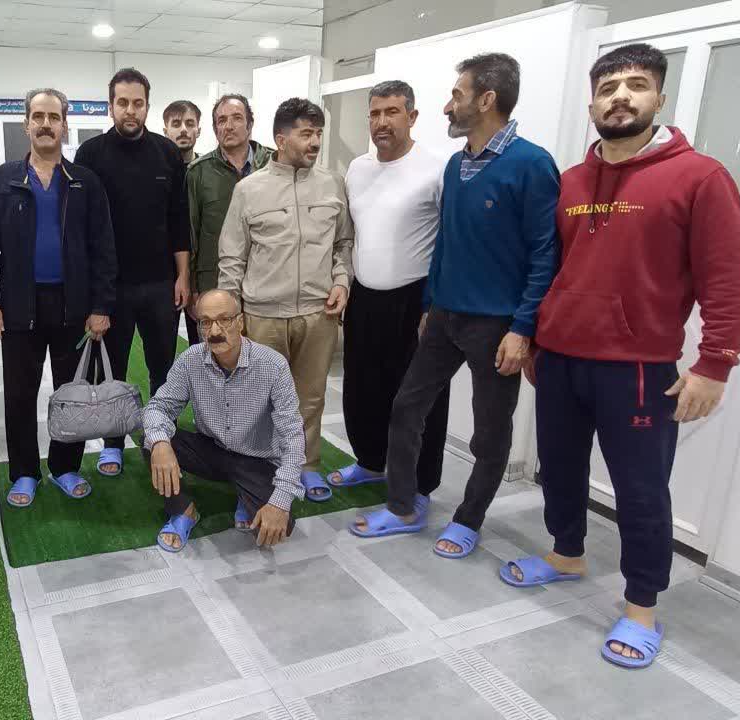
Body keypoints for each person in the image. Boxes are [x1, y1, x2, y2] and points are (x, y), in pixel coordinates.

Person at [504, 44, 740, 668]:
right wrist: (537, 336)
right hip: (560, 359)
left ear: (659, 98)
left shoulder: (699, 177)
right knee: (560, 469)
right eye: (608, 87)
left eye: (636, 85)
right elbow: (552, 267)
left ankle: (641, 604)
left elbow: (729, 276)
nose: (620, 96)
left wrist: (715, 363)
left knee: (640, 490)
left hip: (638, 368)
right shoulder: (571, 181)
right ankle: (566, 553)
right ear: (592, 104)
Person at [351, 53, 559, 559]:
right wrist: (429, 303)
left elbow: (545, 253)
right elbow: (444, 240)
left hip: (497, 324)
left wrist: (523, 328)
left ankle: (468, 519)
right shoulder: (457, 163)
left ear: (486, 100)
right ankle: (403, 506)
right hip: (444, 314)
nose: (448, 106)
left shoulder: (531, 164)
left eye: (456, 95)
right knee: (406, 407)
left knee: (489, 432)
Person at [0, 88, 117, 509]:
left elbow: (103, 248)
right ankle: (23, 471)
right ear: (26, 124)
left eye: (54, 117)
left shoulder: (85, 182)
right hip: (20, 306)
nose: (46, 124)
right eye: (38, 116)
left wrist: (101, 306)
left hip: (74, 306)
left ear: (65, 125)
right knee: (19, 394)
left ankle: (65, 466)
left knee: (71, 392)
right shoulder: (3, 180)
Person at [218, 97, 353, 504]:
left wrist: (342, 280)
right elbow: (232, 257)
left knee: (310, 396)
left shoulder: (332, 184)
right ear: (280, 139)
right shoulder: (248, 190)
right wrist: (232, 315)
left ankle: (306, 465)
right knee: (258, 399)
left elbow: (343, 243)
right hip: (263, 315)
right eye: (306, 134)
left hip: (318, 313)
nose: (315, 142)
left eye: (318, 134)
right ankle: (261, 470)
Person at [327, 81, 451, 503]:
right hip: (365, 297)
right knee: (363, 388)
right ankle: (369, 461)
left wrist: (433, 303)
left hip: (415, 301)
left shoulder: (436, 168)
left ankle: (419, 485)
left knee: (418, 399)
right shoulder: (358, 168)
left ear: (412, 117)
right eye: (375, 113)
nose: (382, 122)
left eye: (392, 112)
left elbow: (450, 240)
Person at [74, 68, 189, 478]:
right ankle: (112, 444)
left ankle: (159, 437)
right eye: (122, 102)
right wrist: (93, 295)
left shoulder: (167, 153)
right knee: (113, 372)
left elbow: (179, 221)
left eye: (137, 103)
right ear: (110, 106)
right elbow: (83, 228)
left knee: (163, 368)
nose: (130, 110)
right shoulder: (90, 155)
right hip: (113, 288)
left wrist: (183, 276)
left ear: (147, 106)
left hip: (160, 284)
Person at [142, 290, 304, 552]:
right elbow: (158, 407)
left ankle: (245, 493)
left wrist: (280, 502)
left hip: (256, 459)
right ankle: (183, 511)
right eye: (205, 322)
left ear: (240, 322)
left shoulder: (273, 365)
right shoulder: (191, 360)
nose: (215, 330)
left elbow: (293, 435)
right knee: (152, 441)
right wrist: (161, 444)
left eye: (224, 319)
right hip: (213, 450)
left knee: (280, 526)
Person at [184, 94, 272, 345]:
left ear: (250, 124)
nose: (229, 126)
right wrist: (193, 288)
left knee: (261, 356)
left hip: (266, 284)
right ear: (215, 129)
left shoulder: (273, 164)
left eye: (236, 118)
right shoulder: (198, 172)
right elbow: (191, 234)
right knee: (216, 355)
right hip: (214, 283)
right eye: (221, 120)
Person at [162, 99, 202, 165]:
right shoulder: (154, 167)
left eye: (190, 124)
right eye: (176, 125)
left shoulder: (208, 168)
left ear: (198, 131)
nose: (183, 129)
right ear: (166, 132)